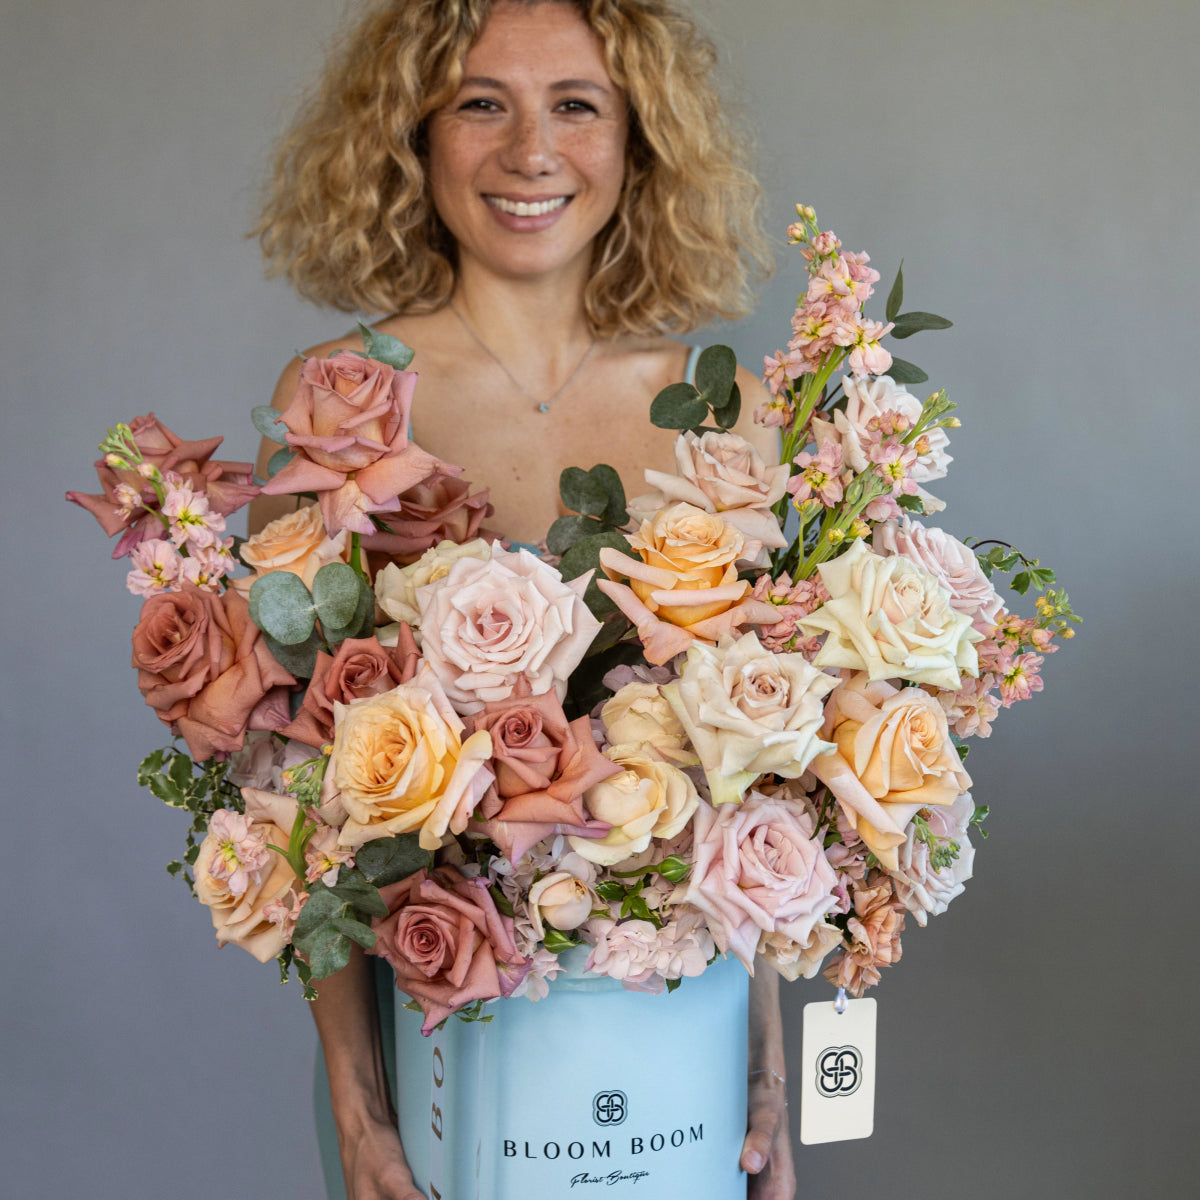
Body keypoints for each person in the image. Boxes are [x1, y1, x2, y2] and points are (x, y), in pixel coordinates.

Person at [250, 2, 793, 1197]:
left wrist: (765, 1072)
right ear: (414, 134)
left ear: (639, 142)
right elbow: (293, 791)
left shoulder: (726, 414)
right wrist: (355, 1105)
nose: (530, 151)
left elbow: (757, 778)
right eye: (481, 102)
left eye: (577, 106)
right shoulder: (343, 402)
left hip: (674, 1049)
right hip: (442, 1055)